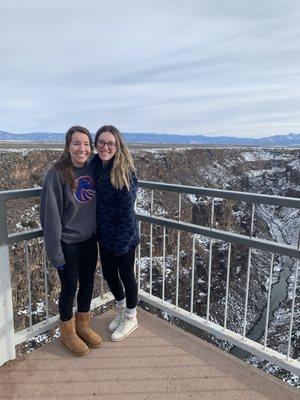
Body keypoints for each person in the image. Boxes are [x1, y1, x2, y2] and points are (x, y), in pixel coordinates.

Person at [40, 126, 102, 356]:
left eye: (86, 144)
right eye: (77, 143)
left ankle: (83, 326)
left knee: (87, 284)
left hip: (89, 238)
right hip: (67, 242)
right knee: (69, 288)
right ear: (68, 146)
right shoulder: (56, 174)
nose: (82, 148)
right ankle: (67, 333)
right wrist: (55, 253)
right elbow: (50, 216)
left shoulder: (93, 167)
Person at [91, 125, 139, 341]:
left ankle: (131, 316)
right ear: (96, 144)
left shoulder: (124, 170)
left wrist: (121, 244)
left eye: (110, 143)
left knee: (127, 276)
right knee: (110, 275)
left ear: (118, 145)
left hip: (123, 238)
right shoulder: (96, 165)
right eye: (101, 142)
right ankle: (120, 309)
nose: (105, 146)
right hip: (104, 235)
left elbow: (127, 213)